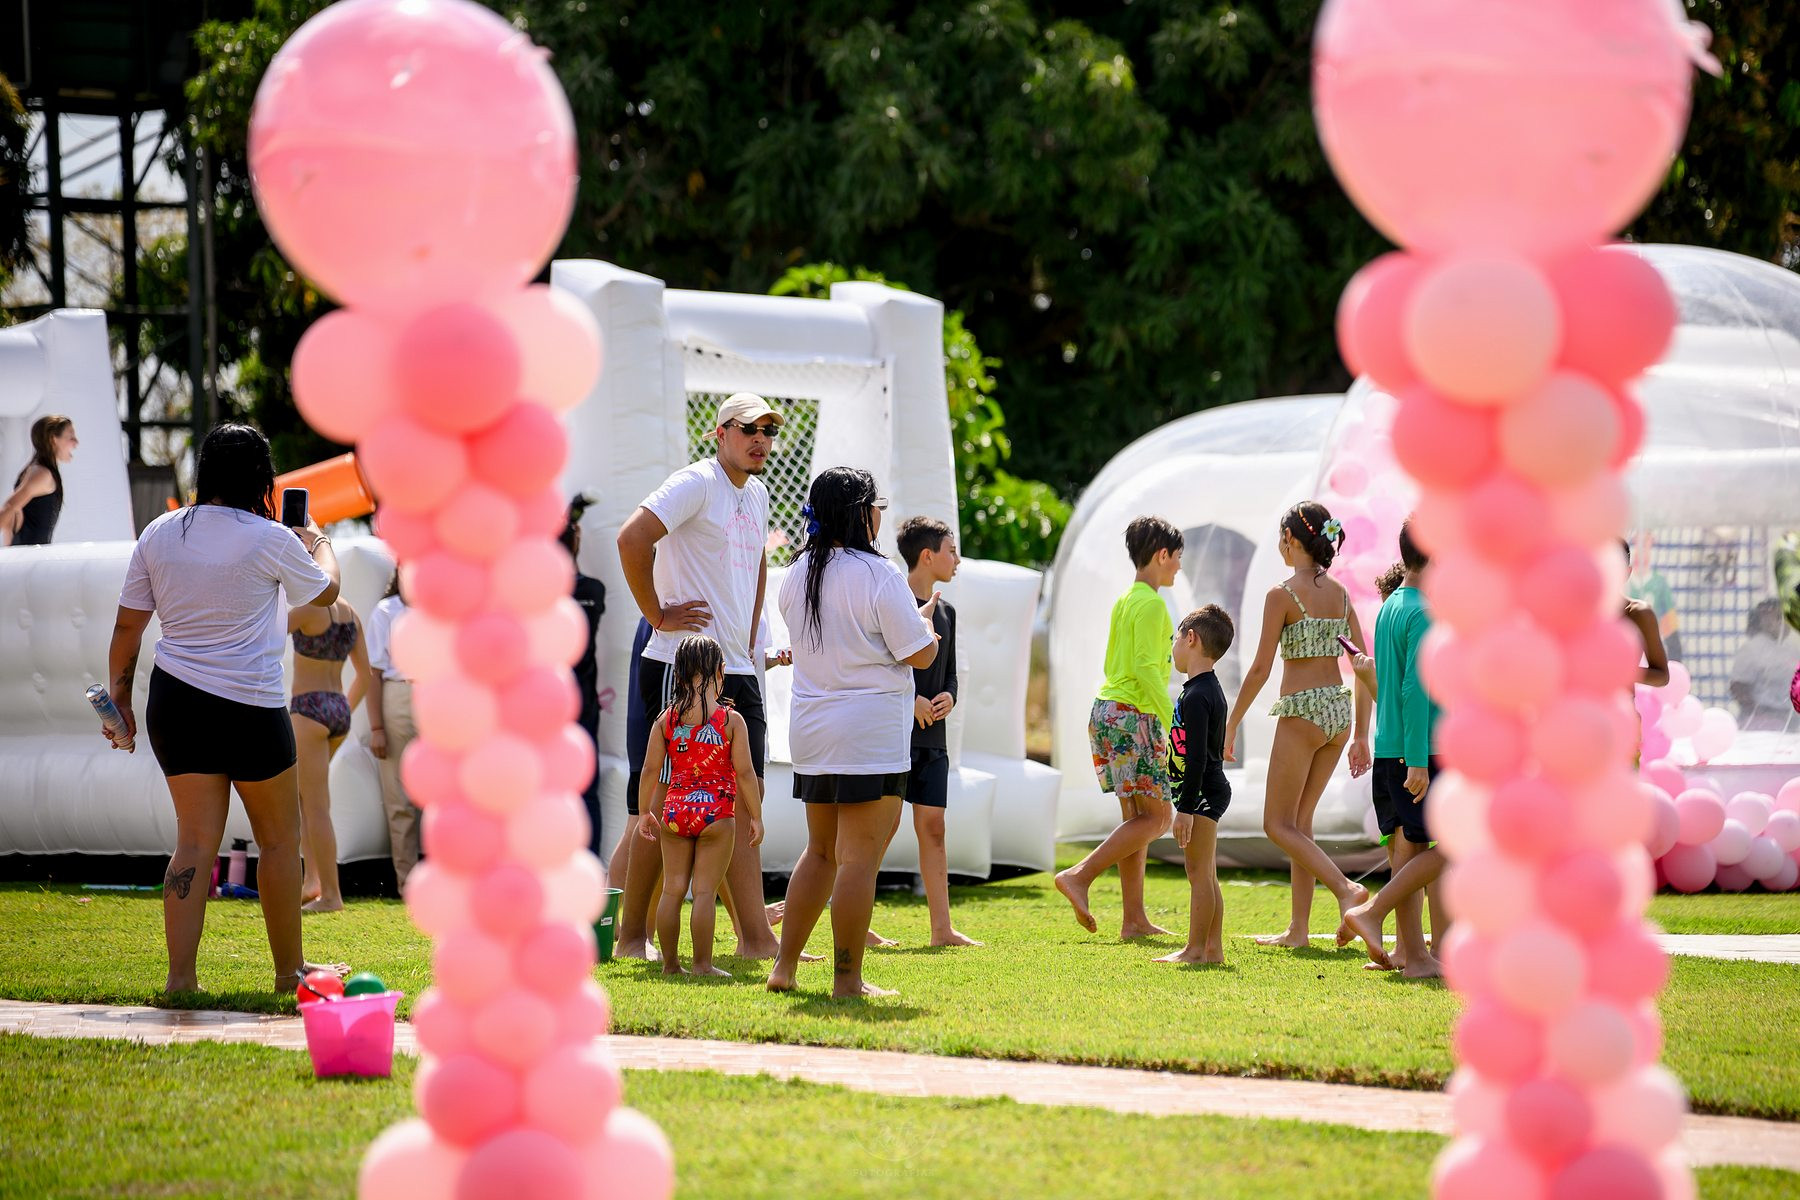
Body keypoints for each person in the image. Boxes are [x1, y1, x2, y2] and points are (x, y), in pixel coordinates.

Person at [103, 422, 344, 994]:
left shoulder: (159, 533)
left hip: (176, 702)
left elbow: (128, 627)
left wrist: (119, 699)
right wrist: (318, 541)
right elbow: (327, 593)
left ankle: (180, 980)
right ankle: (288, 974)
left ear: (205, 470)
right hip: (250, 708)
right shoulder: (272, 537)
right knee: (279, 841)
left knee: (192, 842)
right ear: (262, 478)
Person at [616, 392, 783, 961]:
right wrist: (657, 615)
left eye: (769, 430)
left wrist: (749, 639)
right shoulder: (696, 481)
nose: (760, 439)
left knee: (744, 795)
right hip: (680, 664)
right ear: (720, 432)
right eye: (749, 428)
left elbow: (758, 565)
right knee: (663, 801)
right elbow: (631, 538)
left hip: (737, 665)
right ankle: (632, 937)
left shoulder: (757, 493)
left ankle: (756, 939)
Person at [766, 468, 939, 999]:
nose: (880, 514)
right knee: (858, 860)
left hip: (812, 730)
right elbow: (919, 654)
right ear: (861, 512)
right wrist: (926, 627)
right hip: (868, 734)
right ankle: (847, 980)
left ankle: (784, 968)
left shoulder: (796, 573)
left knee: (819, 852)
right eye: (875, 505)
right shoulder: (878, 572)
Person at [1224, 502, 1378, 957]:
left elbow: (1259, 669)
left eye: (1281, 536)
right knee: (1300, 825)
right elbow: (1363, 667)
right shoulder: (1342, 595)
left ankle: (1346, 889)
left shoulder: (1281, 595)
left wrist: (1231, 724)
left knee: (1276, 824)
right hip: (1337, 713)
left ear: (1291, 539)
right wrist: (1360, 735)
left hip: (1303, 710)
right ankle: (1298, 929)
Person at [1054, 516, 1182, 939]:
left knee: (1136, 820)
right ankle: (1079, 876)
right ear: (1161, 555)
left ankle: (1134, 921)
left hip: (1107, 713)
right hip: (1132, 716)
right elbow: (1146, 669)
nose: (1179, 566)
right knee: (1159, 818)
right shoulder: (1152, 604)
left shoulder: (1126, 599)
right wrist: (1172, 720)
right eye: (1177, 557)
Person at [1341, 520, 1441, 977]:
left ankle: (1409, 954)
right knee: (1455, 844)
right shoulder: (1423, 611)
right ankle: (1373, 913)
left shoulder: (1390, 606)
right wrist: (1418, 761)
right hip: (1415, 751)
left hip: (1389, 749)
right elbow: (1415, 690)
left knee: (1407, 850)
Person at [637, 635, 763, 977]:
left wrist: (645, 811)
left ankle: (670, 965)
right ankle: (702, 965)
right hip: (716, 814)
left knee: (672, 889)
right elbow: (746, 773)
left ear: (677, 674)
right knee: (705, 892)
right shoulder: (731, 721)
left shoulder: (666, 720)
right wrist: (756, 816)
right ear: (721, 672)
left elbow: (649, 770)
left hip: (675, 812)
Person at [896, 515, 979, 948]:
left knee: (934, 829)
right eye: (952, 551)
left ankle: (941, 930)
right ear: (927, 556)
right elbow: (883, 666)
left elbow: (950, 675)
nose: (957, 560)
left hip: (933, 741)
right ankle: (859, 923)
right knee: (874, 833)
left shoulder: (947, 612)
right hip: (894, 738)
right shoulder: (892, 603)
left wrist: (949, 696)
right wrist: (910, 701)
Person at [1155, 605, 1234, 966]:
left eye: (1175, 638)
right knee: (1207, 873)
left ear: (1191, 638)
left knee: (1198, 873)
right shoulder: (1203, 689)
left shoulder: (1199, 695)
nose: (1172, 647)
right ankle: (1212, 949)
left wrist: (1185, 809)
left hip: (1201, 794)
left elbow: (1198, 757)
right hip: (1205, 791)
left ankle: (1195, 949)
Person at [288, 593, 374, 913]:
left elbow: (259, 633)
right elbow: (365, 675)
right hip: (337, 708)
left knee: (316, 806)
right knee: (305, 799)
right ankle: (312, 881)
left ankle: (331, 894)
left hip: (308, 709)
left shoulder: (307, 608)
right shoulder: (351, 613)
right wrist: (341, 710)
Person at [364, 571, 421, 892]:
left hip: (441, 696)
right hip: (399, 694)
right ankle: (408, 883)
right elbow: (373, 672)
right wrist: (376, 727)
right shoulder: (386, 611)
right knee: (399, 796)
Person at [563, 494, 608, 854]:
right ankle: (590, 861)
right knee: (587, 787)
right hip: (585, 702)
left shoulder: (539, 595)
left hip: (547, 704)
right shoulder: (594, 590)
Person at [2, 414, 78, 546]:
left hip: (26, 555)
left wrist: (9, 553)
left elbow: (13, 518)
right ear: (53, 439)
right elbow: (9, 507)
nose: (76, 443)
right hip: (28, 557)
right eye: (71, 437)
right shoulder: (42, 474)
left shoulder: (36, 470)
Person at [1730, 600, 1798, 731]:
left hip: (1791, 718)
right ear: (1762, 620)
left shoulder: (1792, 647)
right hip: (1764, 722)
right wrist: (1760, 713)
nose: (1785, 622)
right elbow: (1738, 687)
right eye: (1778, 617)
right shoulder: (1752, 649)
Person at [1621, 540, 1672, 691]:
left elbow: (1662, 676)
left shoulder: (1638, 613)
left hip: (1620, 704)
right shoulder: (1577, 613)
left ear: (1627, 573)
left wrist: (1618, 671)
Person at [1626, 531, 1682, 661]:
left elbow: (1669, 621)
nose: (1641, 549)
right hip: (1626, 644)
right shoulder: (1623, 581)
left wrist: (1674, 658)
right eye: (1638, 543)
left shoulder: (1659, 583)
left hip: (1650, 646)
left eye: (1646, 543)